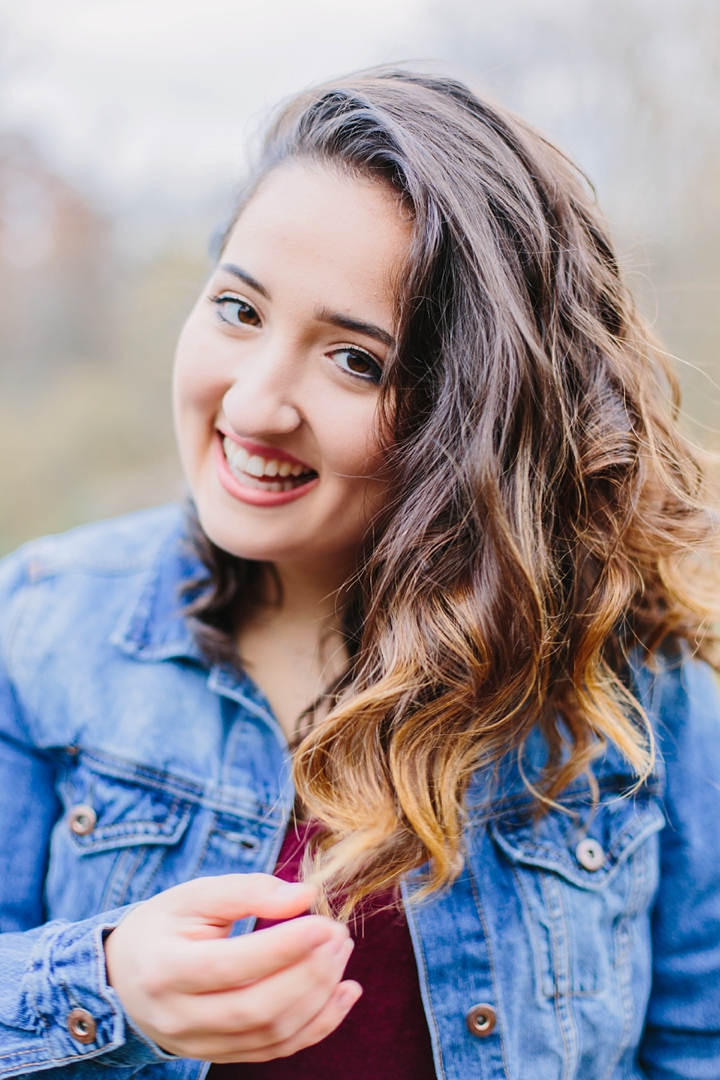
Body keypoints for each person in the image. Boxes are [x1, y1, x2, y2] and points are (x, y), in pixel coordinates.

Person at [1, 68, 719, 1080]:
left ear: (474, 420)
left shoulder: (632, 675)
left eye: (355, 360)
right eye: (239, 310)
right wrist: (105, 983)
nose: (254, 406)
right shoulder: (38, 623)